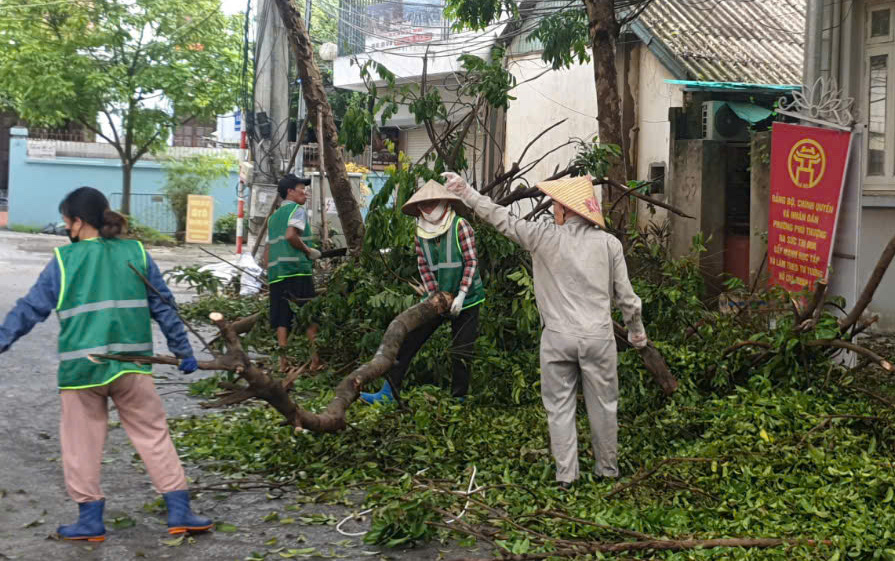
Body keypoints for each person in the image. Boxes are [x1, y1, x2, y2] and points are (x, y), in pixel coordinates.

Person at [0, 187, 212, 541]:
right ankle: (179, 512)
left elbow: (29, 309)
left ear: (79, 222)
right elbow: (164, 306)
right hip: (133, 367)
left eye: (67, 221)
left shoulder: (65, 261)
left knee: (81, 444)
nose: (66, 227)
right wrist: (182, 351)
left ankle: (89, 521)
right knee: (154, 435)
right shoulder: (137, 253)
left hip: (82, 372)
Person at [441, 172, 648, 489]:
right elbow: (628, 299)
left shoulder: (542, 236)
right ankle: (607, 471)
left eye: (555, 205)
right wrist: (636, 332)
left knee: (559, 406)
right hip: (598, 338)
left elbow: (501, 218)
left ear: (565, 209)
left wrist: (466, 191)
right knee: (605, 405)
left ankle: (567, 476)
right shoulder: (609, 245)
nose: (552, 210)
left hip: (557, 338)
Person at [361, 179, 486, 404]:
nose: (427, 209)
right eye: (423, 205)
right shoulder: (420, 231)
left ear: (443, 202)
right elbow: (424, 266)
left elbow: (471, 262)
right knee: (409, 339)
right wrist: (432, 295)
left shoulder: (460, 226)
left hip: (467, 298)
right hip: (438, 297)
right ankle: (388, 391)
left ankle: (459, 399)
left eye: (431, 203)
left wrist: (461, 295)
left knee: (461, 350)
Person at [264, 174, 321, 372]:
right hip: (297, 271)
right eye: (301, 188)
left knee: (281, 318)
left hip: (277, 274)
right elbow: (291, 235)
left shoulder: (273, 217)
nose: (305, 192)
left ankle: (283, 362)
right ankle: (315, 360)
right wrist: (308, 251)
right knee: (309, 315)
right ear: (290, 191)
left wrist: (270, 272)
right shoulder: (297, 210)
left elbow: (268, 250)